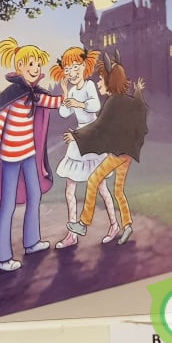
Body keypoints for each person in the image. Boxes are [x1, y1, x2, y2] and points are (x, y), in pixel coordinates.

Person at [0, 37, 67, 272]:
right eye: (30, 64)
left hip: (28, 154)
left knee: (35, 195)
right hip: (10, 158)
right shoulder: (12, 96)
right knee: (7, 204)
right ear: (19, 66)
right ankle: (2, 257)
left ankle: (32, 242)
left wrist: (66, 90)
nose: (35, 69)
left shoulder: (34, 94)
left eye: (37, 65)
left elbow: (54, 102)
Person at [65, 52, 148, 246]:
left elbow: (98, 126)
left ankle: (83, 223)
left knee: (93, 179)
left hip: (118, 154)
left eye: (101, 79)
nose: (99, 83)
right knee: (118, 190)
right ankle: (127, 224)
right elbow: (140, 107)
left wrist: (76, 136)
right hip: (126, 155)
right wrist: (138, 91)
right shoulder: (125, 99)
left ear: (110, 81)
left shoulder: (113, 102)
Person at [49, 46, 118, 248]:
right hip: (79, 138)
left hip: (92, 136)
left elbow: (95, 106)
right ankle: (72, 234)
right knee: (70, 188)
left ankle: (114, 225)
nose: (72, 72)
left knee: (101, 186)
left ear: (84, 66)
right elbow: (63, 113)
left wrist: (78, 104)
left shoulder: (89, 86)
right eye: (67, 69)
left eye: (75, 67)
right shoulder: (71, 90)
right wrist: (65, 94)